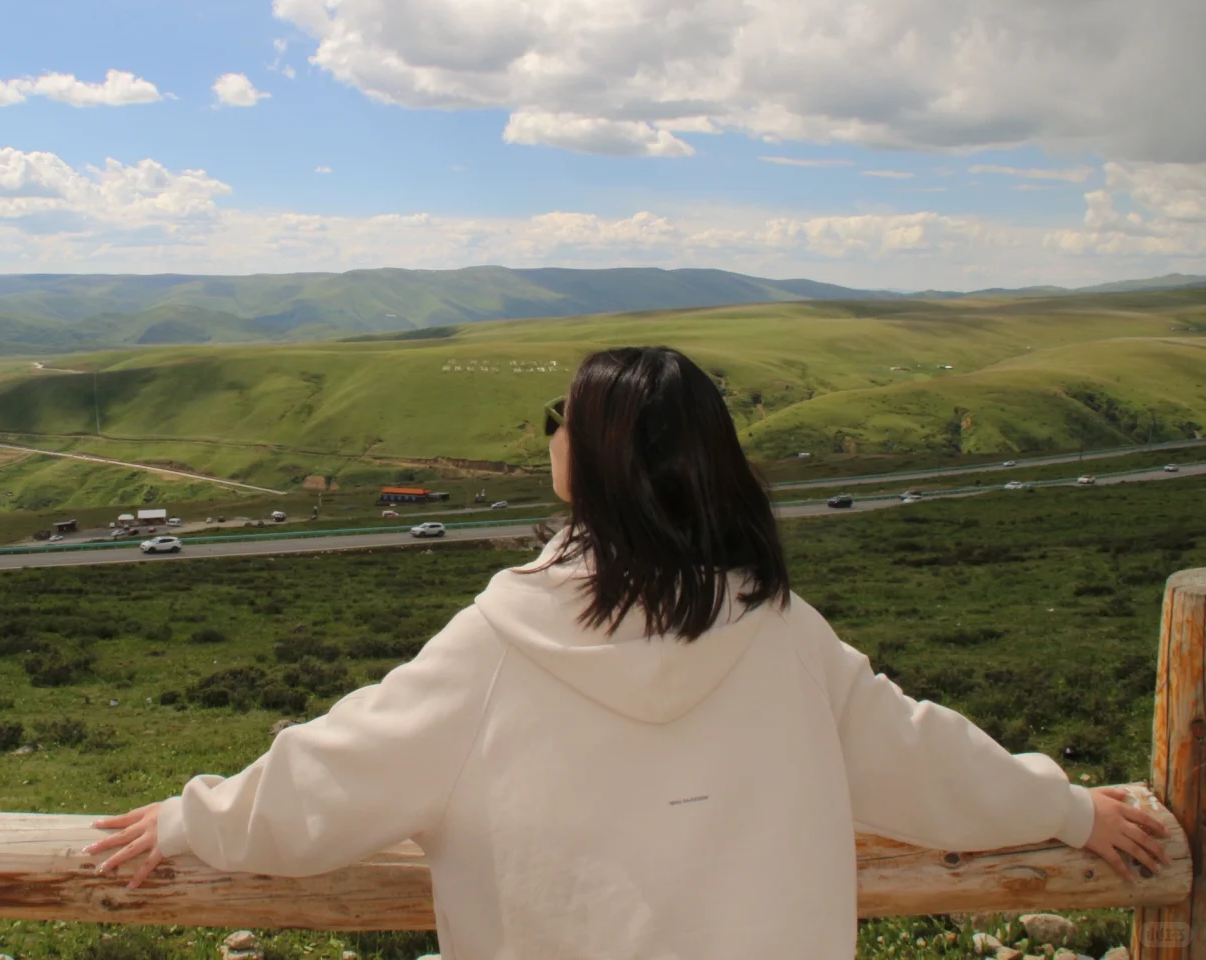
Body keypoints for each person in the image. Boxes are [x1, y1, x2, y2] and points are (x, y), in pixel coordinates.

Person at [86, 346, 1171, 959]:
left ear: (595, 458)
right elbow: (921, 762)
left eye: (561, 415)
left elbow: (342, 769)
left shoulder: (506, 640)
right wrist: (1071, 810)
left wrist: (194, 820)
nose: (550, 431)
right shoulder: (778, 630)